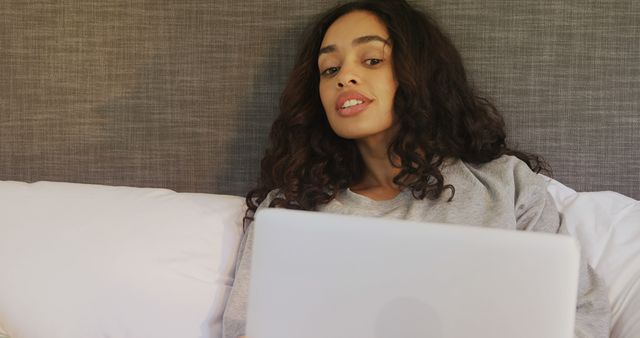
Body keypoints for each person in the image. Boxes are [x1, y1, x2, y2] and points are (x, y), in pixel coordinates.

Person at [222, 1, 611, 337]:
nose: (345, 77)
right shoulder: (291, 211)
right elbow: (245, 329)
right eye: (329, 69)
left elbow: (582, 313)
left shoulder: (505, 185)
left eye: (372, 60)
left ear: (417, 74)